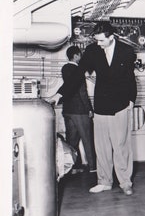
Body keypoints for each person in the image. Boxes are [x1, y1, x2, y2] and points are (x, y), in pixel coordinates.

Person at [52, 22, 137, 196]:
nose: (98, 44)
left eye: (101, 41)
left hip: (121, 104)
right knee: (102, 146)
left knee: (121, 146)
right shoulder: (92, 51)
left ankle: (125, 182)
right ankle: (104, 181)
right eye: (96, 40)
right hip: (101, 105)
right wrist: (60, 95)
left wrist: (131, 100)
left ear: (111, 37)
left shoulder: (126, 52)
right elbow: (77, 74)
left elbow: (130, 78)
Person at [61, 46, 96, 173]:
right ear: (76, 56)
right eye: (80, 55)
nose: (81, 58)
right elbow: (82, 91)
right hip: (80, 110)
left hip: (67, 110)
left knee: (72, 140)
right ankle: (93, 167)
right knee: (87, 139)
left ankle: (75, 166)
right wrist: (89, 109)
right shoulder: (78, 70)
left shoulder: (65, 68)